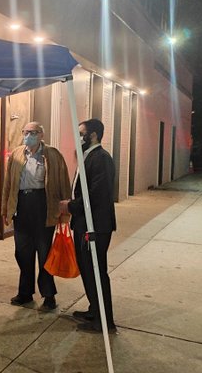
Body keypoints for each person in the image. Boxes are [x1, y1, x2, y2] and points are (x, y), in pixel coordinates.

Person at [1, 121, 71, 310]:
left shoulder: (53, 155)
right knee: (22, 252)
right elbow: (8, 184)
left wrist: (64, 212)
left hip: (44, 206)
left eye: (32, 132)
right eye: (25, 132)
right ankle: (25, 293)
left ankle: (49, 296)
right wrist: (5, 210)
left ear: (41, 135)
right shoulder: (16, 154)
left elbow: (64, 182)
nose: (28, 135)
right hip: (21, 206)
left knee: (45, 253)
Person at [59, 119, 116, 333]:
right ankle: (94, 310)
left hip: (96, 226)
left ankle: (104, 321)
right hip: (85, 224)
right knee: (87, 270)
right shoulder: (88, 156)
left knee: (97, 272)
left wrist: (70, 206)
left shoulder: (101, 158)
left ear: (93, 135)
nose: (78, 137)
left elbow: (97, 195)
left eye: (81, 133)